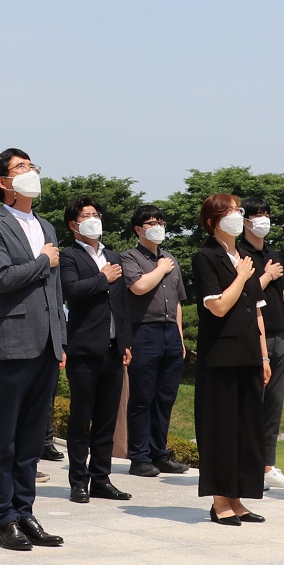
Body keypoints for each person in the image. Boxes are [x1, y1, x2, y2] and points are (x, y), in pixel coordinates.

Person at [0, 148, 67, 551]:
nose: (31, 172)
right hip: (10, 343)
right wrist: (43, 259)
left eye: (32, 166)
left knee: (31, 439)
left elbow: (55, 290)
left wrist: (61, 338)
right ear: (4, 182)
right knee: (4, 439)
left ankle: (25, 511)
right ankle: (3, 519)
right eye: (21, 168)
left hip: (46, 343)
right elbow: (3, 278)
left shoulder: (45, 224)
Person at [192, 194, 269, 525]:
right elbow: (219, 306)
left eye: (238, 211)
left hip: (249, 353)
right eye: (230, 212)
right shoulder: (205, 257)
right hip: (220, 356)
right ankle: (220, 500)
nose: (238, 216)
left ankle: (238, 498)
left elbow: (257, 310)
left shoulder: (247, 256)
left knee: (246, 430)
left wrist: (264, 355)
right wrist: (240, 276)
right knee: (220, 429)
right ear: (213, 222)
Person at [59, 197, 133, 504]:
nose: (93, 219)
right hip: (85, 348)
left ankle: (101, 477)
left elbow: (121, 304)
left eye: (96, 214)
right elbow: (71, 291)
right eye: (86, 215)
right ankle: (79, 480)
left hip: (113, 348)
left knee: (106, 418)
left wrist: (126, 341)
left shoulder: (112, 255)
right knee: (81, 416)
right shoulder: (69, 256)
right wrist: (102, 278)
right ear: (74, 225)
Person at [120, 204, 189, 478]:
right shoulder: (130, 258)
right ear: (139, 229)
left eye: (161, 221)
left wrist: (180, 338)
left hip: (170, 332)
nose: (158, 226)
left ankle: (159, 452)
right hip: (143, 332)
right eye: (151, 222)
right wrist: (160, 268)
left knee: (165, 397)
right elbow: (138, 287)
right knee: (142, 397)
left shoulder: (170, 258)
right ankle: (139, 456)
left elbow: (180, 302)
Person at [240, 198, 284, 490]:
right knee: (253, 403)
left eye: (266, 215)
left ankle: (268, 465)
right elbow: (243, 294)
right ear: (245, 221)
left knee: (274, 405)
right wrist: (265, 276)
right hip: (253, 337)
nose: (263, 220)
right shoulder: (241, 253)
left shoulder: (274, 254)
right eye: (257, 215)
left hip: (279, 336)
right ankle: (248, 464)